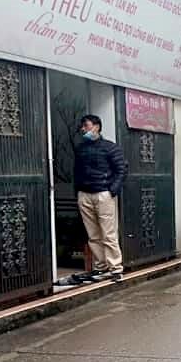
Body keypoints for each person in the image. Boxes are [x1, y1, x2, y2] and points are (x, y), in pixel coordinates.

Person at [73, 114, 126, 282]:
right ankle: (101, 267)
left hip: (103, 194)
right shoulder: (80, 148)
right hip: (84, 194)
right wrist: (78, 192)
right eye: (83, 126)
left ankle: (116, 268)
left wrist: (112, 190)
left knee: (108, 234)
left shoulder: (110, 147)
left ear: (97, 126)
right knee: (93, 235)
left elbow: (122, 169)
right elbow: (76, 171)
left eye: (86, 126)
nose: (84, 129)